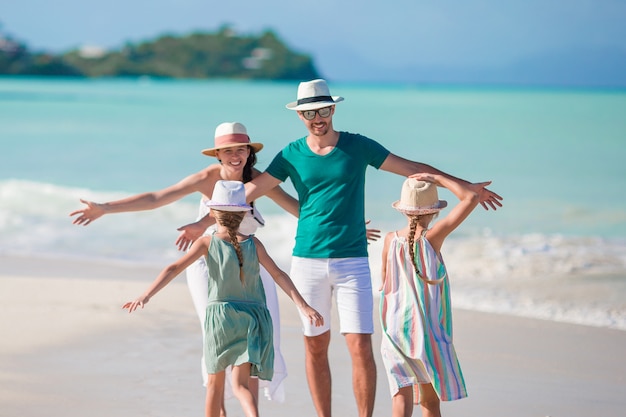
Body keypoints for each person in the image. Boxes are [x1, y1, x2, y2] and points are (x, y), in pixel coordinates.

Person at [234, 79, 503, 417]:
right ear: (300, 115)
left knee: (360, 346)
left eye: (324, 110)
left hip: (352, 263)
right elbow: (246, 194)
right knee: (315, 346)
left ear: (333, 109)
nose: (318, 118)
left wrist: (465, 185)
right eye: (310, 112)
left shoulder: (357, 146)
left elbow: (412, 169)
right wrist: (218, 184)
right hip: (307, 262)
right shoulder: (290, 154)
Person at [69, 122, 298, 410]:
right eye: (227, 151)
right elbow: (156, 198)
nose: (235, 156)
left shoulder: (257, 180)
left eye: (240, 149)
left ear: (248, 151)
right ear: (217, 154)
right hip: (209, 264)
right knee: (216, 336)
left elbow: (299, 209)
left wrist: (346, 227)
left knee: (259, 339)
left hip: (250, 261)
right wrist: (105, 207)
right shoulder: (206, 178)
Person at [122, 180, 324, 417]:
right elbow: (279, 275)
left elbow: (173, 268)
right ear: (243, 214)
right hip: (253, 320)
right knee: (241, 386)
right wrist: (304, 306)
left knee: (215, 386)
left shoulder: (207, 243)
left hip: (221, 320)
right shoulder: (254, 243)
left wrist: (146, 295)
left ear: (213, 213)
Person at [379, 175, 480, 417]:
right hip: (424, 331)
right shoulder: (431, 238)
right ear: (433, 212)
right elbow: (471, 197)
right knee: (429, 402)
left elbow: (384, 284)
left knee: (400, 399)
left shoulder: (390, 240)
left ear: (403, 210)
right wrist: (436, 178)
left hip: (393, 329)